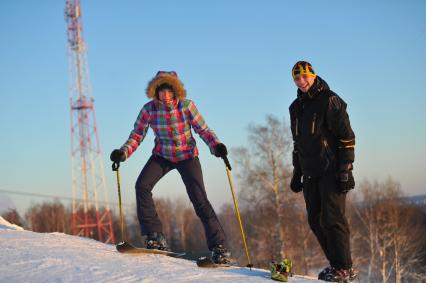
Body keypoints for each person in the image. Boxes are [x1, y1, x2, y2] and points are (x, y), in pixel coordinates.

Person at [110, 71, 230, 264]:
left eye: (168, 91)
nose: (165, 95)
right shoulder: (149, 109)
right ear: (155, 92)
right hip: (162, 155)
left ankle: (220, 247)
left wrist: (216, 146)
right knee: (142, 186)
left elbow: (203, 130)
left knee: (199, 198)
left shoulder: (186, 106)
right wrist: (123, 153)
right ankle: (155, 236)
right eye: (161, 91)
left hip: (187, 156)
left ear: (175, 91)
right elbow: (137, 134)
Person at [288, 61, 357, 282]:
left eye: (305, 76)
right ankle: (336, 265)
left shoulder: (330, 100)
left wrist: (345, 168)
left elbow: (346, 136)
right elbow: (298, 143)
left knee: (333, 218)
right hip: (310, 172)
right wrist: (296, 172)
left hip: (332, 170)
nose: (302, 81)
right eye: (297, 78)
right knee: (315, 220)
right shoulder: (295, 108)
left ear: (313, 75)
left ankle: (344, 269)